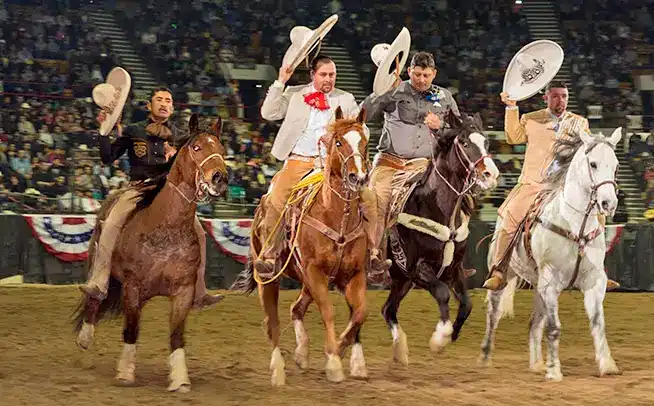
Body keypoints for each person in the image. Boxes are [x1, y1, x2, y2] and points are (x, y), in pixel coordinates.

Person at [79, 87, 224, 310]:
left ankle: (199, 291)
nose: (164, 104)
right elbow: (107, 157)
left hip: (169, 193)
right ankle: (99, 280)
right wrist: (104, 131)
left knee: (200, 234)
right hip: (138, 189)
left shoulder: (180, 137)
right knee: (111, 223)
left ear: (173, 108)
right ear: (149, 105)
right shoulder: (134, 130)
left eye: (168, 100)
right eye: (159, 100)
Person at [252, 55, 391, 281]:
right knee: (276, 197)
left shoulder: (345, 99)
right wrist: (280, 82)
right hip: (299, 160)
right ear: (312, 75)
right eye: (323, 74)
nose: (328, 79)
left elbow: (361, 129)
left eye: (332, 75)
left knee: (369, 198)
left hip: (334, 165)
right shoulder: (296, 95)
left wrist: (342, 135)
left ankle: (374, 253)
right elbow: (268, 113)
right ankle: (269, 254)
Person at [484, 81, 621, 291]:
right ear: (545, 98)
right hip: (533, 184)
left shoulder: (579, 123)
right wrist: (511, 107)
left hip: (566, 186)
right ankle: (498, 270)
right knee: (510, 217)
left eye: (564, 96)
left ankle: (598, 270)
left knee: (598, 218)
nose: (561, 100)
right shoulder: (530, 119)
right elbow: (513, 137)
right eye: (555, 96)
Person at [362, 51, 460, 256]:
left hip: (423, 166)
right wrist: (380, 91)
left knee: (447, 201)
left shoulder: (445, 97)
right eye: (416, 74)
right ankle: (373, 254)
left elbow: (459, 133)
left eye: (426, 75)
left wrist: (440, 126)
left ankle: (448, 255)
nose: (421, 80)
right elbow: (363, 116)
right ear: (408, 71)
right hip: (389, 163)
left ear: (434, 73)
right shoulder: (394, 90)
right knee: (378, 202)